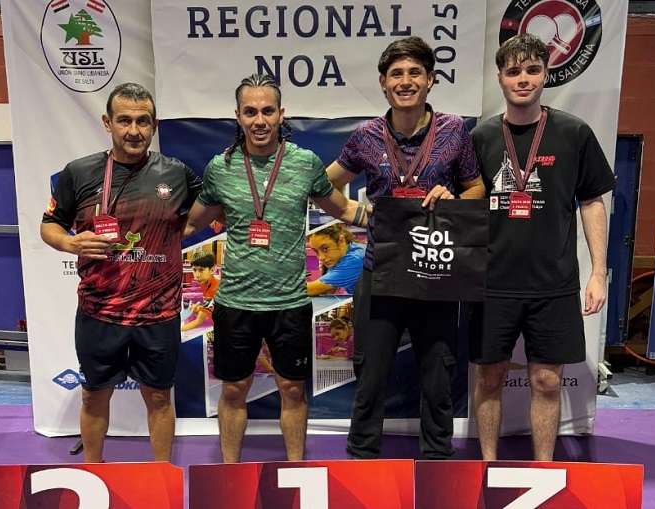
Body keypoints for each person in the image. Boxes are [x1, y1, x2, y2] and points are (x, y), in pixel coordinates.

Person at [185, 73, 369, 463]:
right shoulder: (221, 167)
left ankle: (295, 470)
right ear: (238, 116)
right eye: (250, 112)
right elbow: (189, 224)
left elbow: (343, 208)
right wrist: (139, 236)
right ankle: (229, 472)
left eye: (267, 111)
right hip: (236, 303)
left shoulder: (304, 163)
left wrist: (399, 217)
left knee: (292, 390)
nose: (260, 120)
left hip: (289, 303)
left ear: (281, 114)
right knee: (233, 390)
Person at [325, 36, 485, 459]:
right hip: (381, 271)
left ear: (430, 79)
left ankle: (437, 459)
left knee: (438, 375)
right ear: (383, 82)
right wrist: (358, 214)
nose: (405, 81)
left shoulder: (453, 130)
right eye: (396, 73)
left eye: (415, 72)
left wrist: (454, 199)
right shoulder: (366, 136)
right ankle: (362, 458)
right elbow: (324, 185)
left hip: (436, 271)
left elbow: (477, 189)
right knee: (371, 373)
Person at [470, 34, 615, 461]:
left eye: (532, 70)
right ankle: (488, 465)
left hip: (553, 284)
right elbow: (466, 203)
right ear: (500, 78)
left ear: (545, 75)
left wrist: (597, 272)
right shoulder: (481, 137)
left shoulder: (573, 133)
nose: (523, 79)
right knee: (490, 378)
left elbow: (592, 201)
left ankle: (544, 469)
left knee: (548, 381)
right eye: (513, 71)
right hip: (491, 283)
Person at [40, 82, 202, 463]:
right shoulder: (79, 172)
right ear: (107, 122)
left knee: (159, 397)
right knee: (94, 395)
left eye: (143, 121)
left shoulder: (176, 173)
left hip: (158, 312)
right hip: (100, 310)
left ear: (154, 125)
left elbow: (208, 214)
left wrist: (176, 233)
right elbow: (49, 225)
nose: (134, 130)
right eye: (124, 120)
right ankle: (93, 472)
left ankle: (161, 476)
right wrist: (70, 243)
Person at [306, 224, 365, 296]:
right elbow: (330, 290)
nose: (321, 257)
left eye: (325, 248)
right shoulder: (349, 249)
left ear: (341, 241)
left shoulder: (355, 260)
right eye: (316, 251)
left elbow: (310, 290)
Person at [182, 252, 219, 332]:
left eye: (201, 270)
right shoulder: (205, 283)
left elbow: (198, 321)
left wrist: (176, 330)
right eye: (194, 270)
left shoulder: (213, 288)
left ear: (212, 270)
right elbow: (210, 308)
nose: (197, 275)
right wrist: (200, 308)